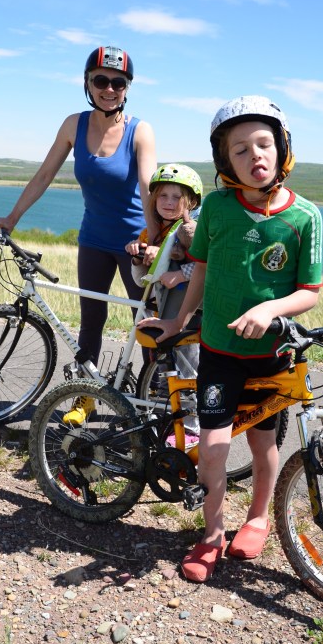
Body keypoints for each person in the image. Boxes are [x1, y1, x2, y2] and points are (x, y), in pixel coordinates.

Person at [138, 95, 323, 582]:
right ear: (225, 162)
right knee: (215, 449)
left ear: (282, 149)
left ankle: (258, 517)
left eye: (264, 143)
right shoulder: (218, 208)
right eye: (240, 150)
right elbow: (199, 268)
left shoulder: (305, 216)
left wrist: (269, 309)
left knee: (264, 447)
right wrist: (179, 323)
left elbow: (309, 292)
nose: (254, 156)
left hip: (272, 355)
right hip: (220, 353)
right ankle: (210, 535)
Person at [0, 46, 157, 424]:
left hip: (136, 242)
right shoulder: (73, 125)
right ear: (87, 83)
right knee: (91, 319)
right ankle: (86, 396)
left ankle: (157, 403)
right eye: (101, 80)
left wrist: (156, 241)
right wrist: (12, 217)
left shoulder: (139, 130)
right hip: (94, 239)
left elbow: (149, 187)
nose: (109, 88)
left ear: (127, 88)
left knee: (147, 321)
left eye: (118, 82)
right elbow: (45, 174)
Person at [126, 163, 202, 444]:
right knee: (166, 370)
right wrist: (138, 258)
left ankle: (193, 430)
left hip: (186, 313)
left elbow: (208, 270)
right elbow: (141, 282)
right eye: (162, 196)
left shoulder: (191, 231)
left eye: (176, 197)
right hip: (160, 311)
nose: (168, 203)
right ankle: (171, 422)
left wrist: (178, 273)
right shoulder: (152, 234)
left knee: (188, 371)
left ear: (191, 202)